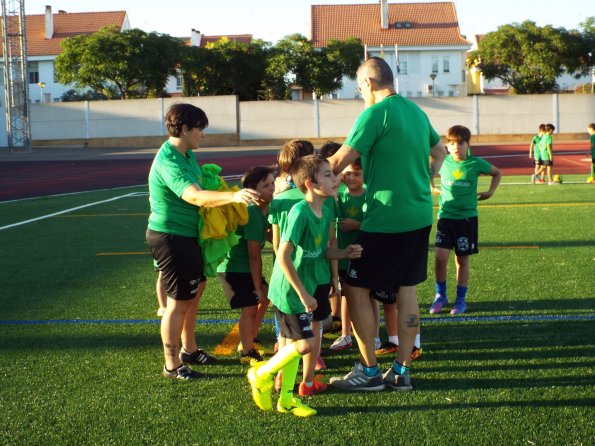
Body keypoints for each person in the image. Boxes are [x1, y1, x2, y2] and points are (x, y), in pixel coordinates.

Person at [327, 57, 446, 392]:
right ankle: (401, 371)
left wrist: (294, 182)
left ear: (367, 83)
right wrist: (427, 174)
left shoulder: (374, 114)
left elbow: (338, 162)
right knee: (406, 289)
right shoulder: (416, 112)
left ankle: (368, 370)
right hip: (420, 214)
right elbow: (440, 151)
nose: (359, 92)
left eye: (359, 87)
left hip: (385, 218)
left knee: (355, 287)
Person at [146, 103, 260, 380]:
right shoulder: (170, 160)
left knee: (192, 296)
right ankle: (172, 365)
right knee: (177, 303)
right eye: (200, 128)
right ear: (184, 129)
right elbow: (194, 196)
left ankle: (190, 349)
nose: (203, 134)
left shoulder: (184, 154)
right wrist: (233, 197)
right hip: (172, 237)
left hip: (189, 236)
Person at [247, 155, 362, 417]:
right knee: (305, 345)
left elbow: (320, 251)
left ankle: (286, 399)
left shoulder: (326, 208)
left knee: (294, 345)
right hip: (292, 290)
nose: (336, 179)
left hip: (312, 283)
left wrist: (344, 254)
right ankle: (260, 373)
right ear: (310, 184)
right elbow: (284, 256)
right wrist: (302, 294)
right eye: (328, 175)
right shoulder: (300, 212)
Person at [429, 125, 501, 315]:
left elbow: (497, 172)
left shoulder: (476, 163)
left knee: (461, 260)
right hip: (445, 217)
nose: (456, 147)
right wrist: (431, 186)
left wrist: (490, 192)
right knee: (439, 257)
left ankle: (460, 300)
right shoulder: (443, 162)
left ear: (468, 144)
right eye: (452, 143)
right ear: (447, 145)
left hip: (466, 219)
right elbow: (427, 168)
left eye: (461, 143)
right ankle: (440, 296)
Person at [217, 166, 275, 365]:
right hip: (235, 268)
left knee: (266, 298)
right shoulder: (251, 212)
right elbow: (254, 255)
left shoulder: (263, 209)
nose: (272, 188)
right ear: (253, 190)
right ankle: (247, 351)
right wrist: (257, 286)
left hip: (244, 267)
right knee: (251, 306)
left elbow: (268, 235)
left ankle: (250, 337)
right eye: (266, 185)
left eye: (273, 183)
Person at [329, 159, 365, 351]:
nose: (351, 177)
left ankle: (372, 334)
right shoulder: (339, 196)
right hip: (344, 257)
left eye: (357, 173)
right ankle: (345, 334)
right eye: (348, 173)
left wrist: (356, 225)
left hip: (364, 255)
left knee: (368, 296)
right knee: (345, 295)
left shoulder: (369, 196)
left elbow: (376, 223)